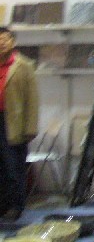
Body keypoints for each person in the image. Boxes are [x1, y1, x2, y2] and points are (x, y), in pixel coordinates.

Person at [0, 27, 38, 221]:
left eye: (5, 39)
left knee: (13, 165)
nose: (2, 43)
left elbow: (32, 99)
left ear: (13, 42)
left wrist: (31, 128)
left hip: (14, 122)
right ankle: (2, 205)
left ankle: (16, 206)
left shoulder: (23, 65)